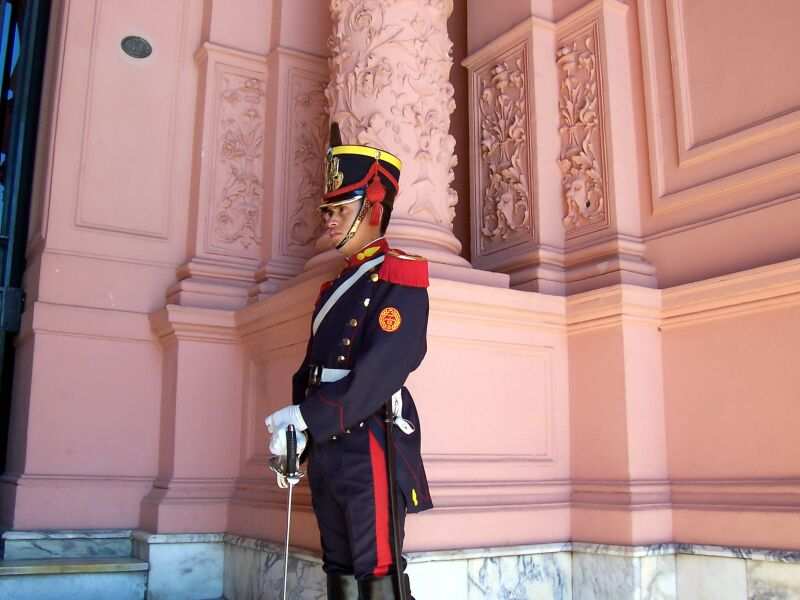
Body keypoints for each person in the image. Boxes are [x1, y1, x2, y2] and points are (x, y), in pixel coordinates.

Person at [265, 124, 432, 600]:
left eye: (340, 210)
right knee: (336, 562)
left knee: (377, 565)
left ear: (372, 208)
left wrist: (308, 417)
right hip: (326, 440)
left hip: (367, 438)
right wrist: (298, 431)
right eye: (329, 212)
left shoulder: (399, 276)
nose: (330, 222)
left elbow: (383, 369)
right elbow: (313, 368)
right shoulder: (336, 285)